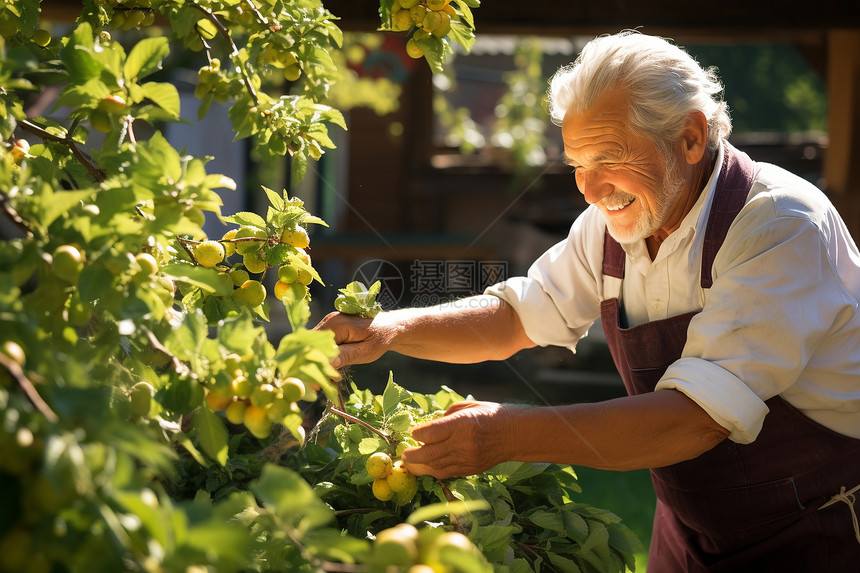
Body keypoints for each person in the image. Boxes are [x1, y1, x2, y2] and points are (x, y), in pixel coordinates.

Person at [314, 31, 860, 571]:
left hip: (817, 527)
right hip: (693, 526)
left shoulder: (780, 225)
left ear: (690, 137)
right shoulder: (608, 229)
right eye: (577, 163)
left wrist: (505, 434)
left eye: (609, 156)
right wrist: (388, 330)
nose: (590, 189)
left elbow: (696, 419)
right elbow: (518, 315)